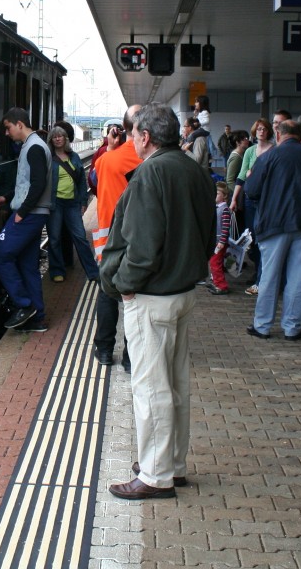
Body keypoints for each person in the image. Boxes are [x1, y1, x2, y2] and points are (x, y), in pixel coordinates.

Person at [100, 103, 214, 499]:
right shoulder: (193, 169)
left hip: (152, 296)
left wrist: (125, 284)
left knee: (151, 388)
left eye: (134, 134)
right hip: (182, 292)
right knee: (176, 384)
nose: (132, 139)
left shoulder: (151, 173)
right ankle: (172, 464)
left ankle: (154, 475)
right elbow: (208, 234)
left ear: (146, 136)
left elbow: (143, 247)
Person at [244, 119, 301, 340]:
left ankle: (262, 325)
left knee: (269, 276)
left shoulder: (268, 157)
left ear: (277, 134)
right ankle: (292, 327)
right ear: (300, 135)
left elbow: (251, 190)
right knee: (299, 278)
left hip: (274, 224)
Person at [0, 107, 52, 332]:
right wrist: (7, 198)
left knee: (0, 255)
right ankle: (38, 319)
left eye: (8, 128)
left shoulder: (34, 147)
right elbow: (26, 183)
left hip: (30, 215)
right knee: (28, 266)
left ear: (19, 124)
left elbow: (38, 184)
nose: (6, 133)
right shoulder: (32, 145)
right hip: (34, 213)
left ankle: (24, 305)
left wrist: (21, 212)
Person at [91, 105, 142, 370]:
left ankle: (104, 350)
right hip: (138, 241)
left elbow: (93, 179)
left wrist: (111, 148)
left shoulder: (106, 161)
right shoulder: (151, 160)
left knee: (107, 294)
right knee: (137, 300)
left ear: (124, 128)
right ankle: (131, 359)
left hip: (109, 241)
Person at [45, 126, 99, 284]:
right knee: (54, 238)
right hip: (55, 203)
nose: (57, 139)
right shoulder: (49, 157)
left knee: (80, 237)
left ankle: (92, 271)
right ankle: (57, 271)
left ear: (65, 139)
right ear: (51, 140)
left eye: (60, 136)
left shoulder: (74, 156)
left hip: (72, 203)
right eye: (54, 137)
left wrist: (83, 201)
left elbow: (81, 181)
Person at [230, 118, 275, 295]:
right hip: (250, 199)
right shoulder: (250, 151)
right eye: (259, 129)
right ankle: (258, 272)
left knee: (263, 238)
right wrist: (234, 199)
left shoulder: (274, 150)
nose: (261, 132)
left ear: (269, 132)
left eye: (264, 129)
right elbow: (242, 175)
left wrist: (253, 174)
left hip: (267, 200)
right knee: (252, 237)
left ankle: (261, 279)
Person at [207, 181, 232, 295]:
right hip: (216, 241)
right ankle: (216, 282)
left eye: (217, 193)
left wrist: (222, 241)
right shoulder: (217, 208)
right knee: (215, 262)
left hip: (219, 242)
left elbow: (226, 227)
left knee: (215, 263)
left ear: (224, 196)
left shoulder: (224, 209)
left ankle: (221, 285)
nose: (214, 196)